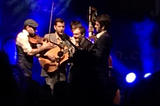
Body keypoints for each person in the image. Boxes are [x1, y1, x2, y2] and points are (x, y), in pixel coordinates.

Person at [16, 19, 54, 106]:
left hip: (28, 66)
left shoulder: (30, 37)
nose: (36, 31)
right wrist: (44, 47)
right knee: (25, 87)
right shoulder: (22, 36)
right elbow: (30, 52)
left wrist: (47, 55)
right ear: (28, 27)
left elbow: (36, 53)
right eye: (34, 28)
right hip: (23, 65)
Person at [40, 18, 74, 92]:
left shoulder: (67, 38)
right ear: (54, 27)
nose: (61, 29)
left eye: (63, 26)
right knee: (51, 91)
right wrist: (48, 54)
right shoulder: (48, 36)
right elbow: (40, 50)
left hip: (61, 70)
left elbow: (69, 53)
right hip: (50, 68)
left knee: (63, 92)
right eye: (59, 26)